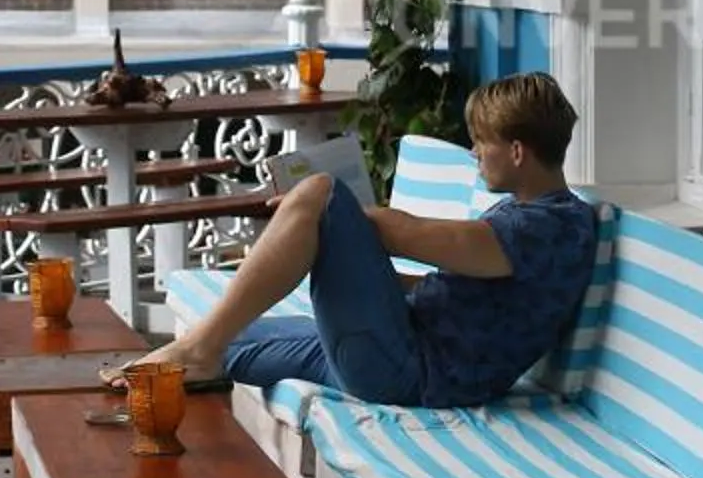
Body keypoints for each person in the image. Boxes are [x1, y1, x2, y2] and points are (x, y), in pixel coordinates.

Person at [120, 71, 600, 408]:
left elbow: (411, 234)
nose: (474, 152)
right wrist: (357, 268)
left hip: (405, 370)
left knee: (321, 192)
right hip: (399, 347)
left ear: (517, 151)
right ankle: (176, 367)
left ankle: (195, 354)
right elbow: (464, 291)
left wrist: (313, 215)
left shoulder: (541, 230)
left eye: (481, 141)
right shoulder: (541, 217)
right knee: (211, 347)